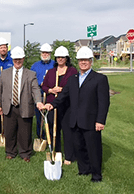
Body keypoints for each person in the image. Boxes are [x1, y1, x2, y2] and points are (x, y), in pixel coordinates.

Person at [44, 46, 110, 182]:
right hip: (74, 120)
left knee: (93, 149)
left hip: (91, 121)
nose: (83, 63)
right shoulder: (73, 78)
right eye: (81, 60)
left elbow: (104, 102)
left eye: (86, 60)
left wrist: (100, 121)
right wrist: (52, 104)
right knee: (79, 147)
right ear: (78, 61)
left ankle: (96, 175)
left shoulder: (99, 79)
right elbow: (64, 95)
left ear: (91, 61)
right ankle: (84, 170)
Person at [0, 46, 44, 162]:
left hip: (25, 106)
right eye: (15, 59)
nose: (17, 61)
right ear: (12, 59)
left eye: (20, 59)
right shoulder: (4, 74)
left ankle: (25, 153)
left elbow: (35, 89)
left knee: (25, 132)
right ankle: (10, 152)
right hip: (9, 107)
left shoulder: (31, 74)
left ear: (23, 58)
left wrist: (38, 102)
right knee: (9, 131)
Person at [41, 46, 78, 165]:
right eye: (58, 57)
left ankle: (69, 156)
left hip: (67, 105)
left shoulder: (72, 71)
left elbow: (74, 86)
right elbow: (44, 86)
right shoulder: (51, 72)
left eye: (63, 57)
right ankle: (56, 152)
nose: (60, 59)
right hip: (53, 104)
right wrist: (52, 90)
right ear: (55, 58)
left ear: (67, 58)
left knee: (67, 131)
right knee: (53, 129)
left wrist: (63, 90)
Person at [30, 43, 55, 143]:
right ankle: (40, 136)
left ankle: (51, 136)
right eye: (43, 52)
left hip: (51, 94)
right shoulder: (35, 66)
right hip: (39, 93)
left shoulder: (54, 64)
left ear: (50, 53)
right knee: (39, 116)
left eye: (47, 52)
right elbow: (31, 80)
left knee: (50, 117)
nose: (45, 54)